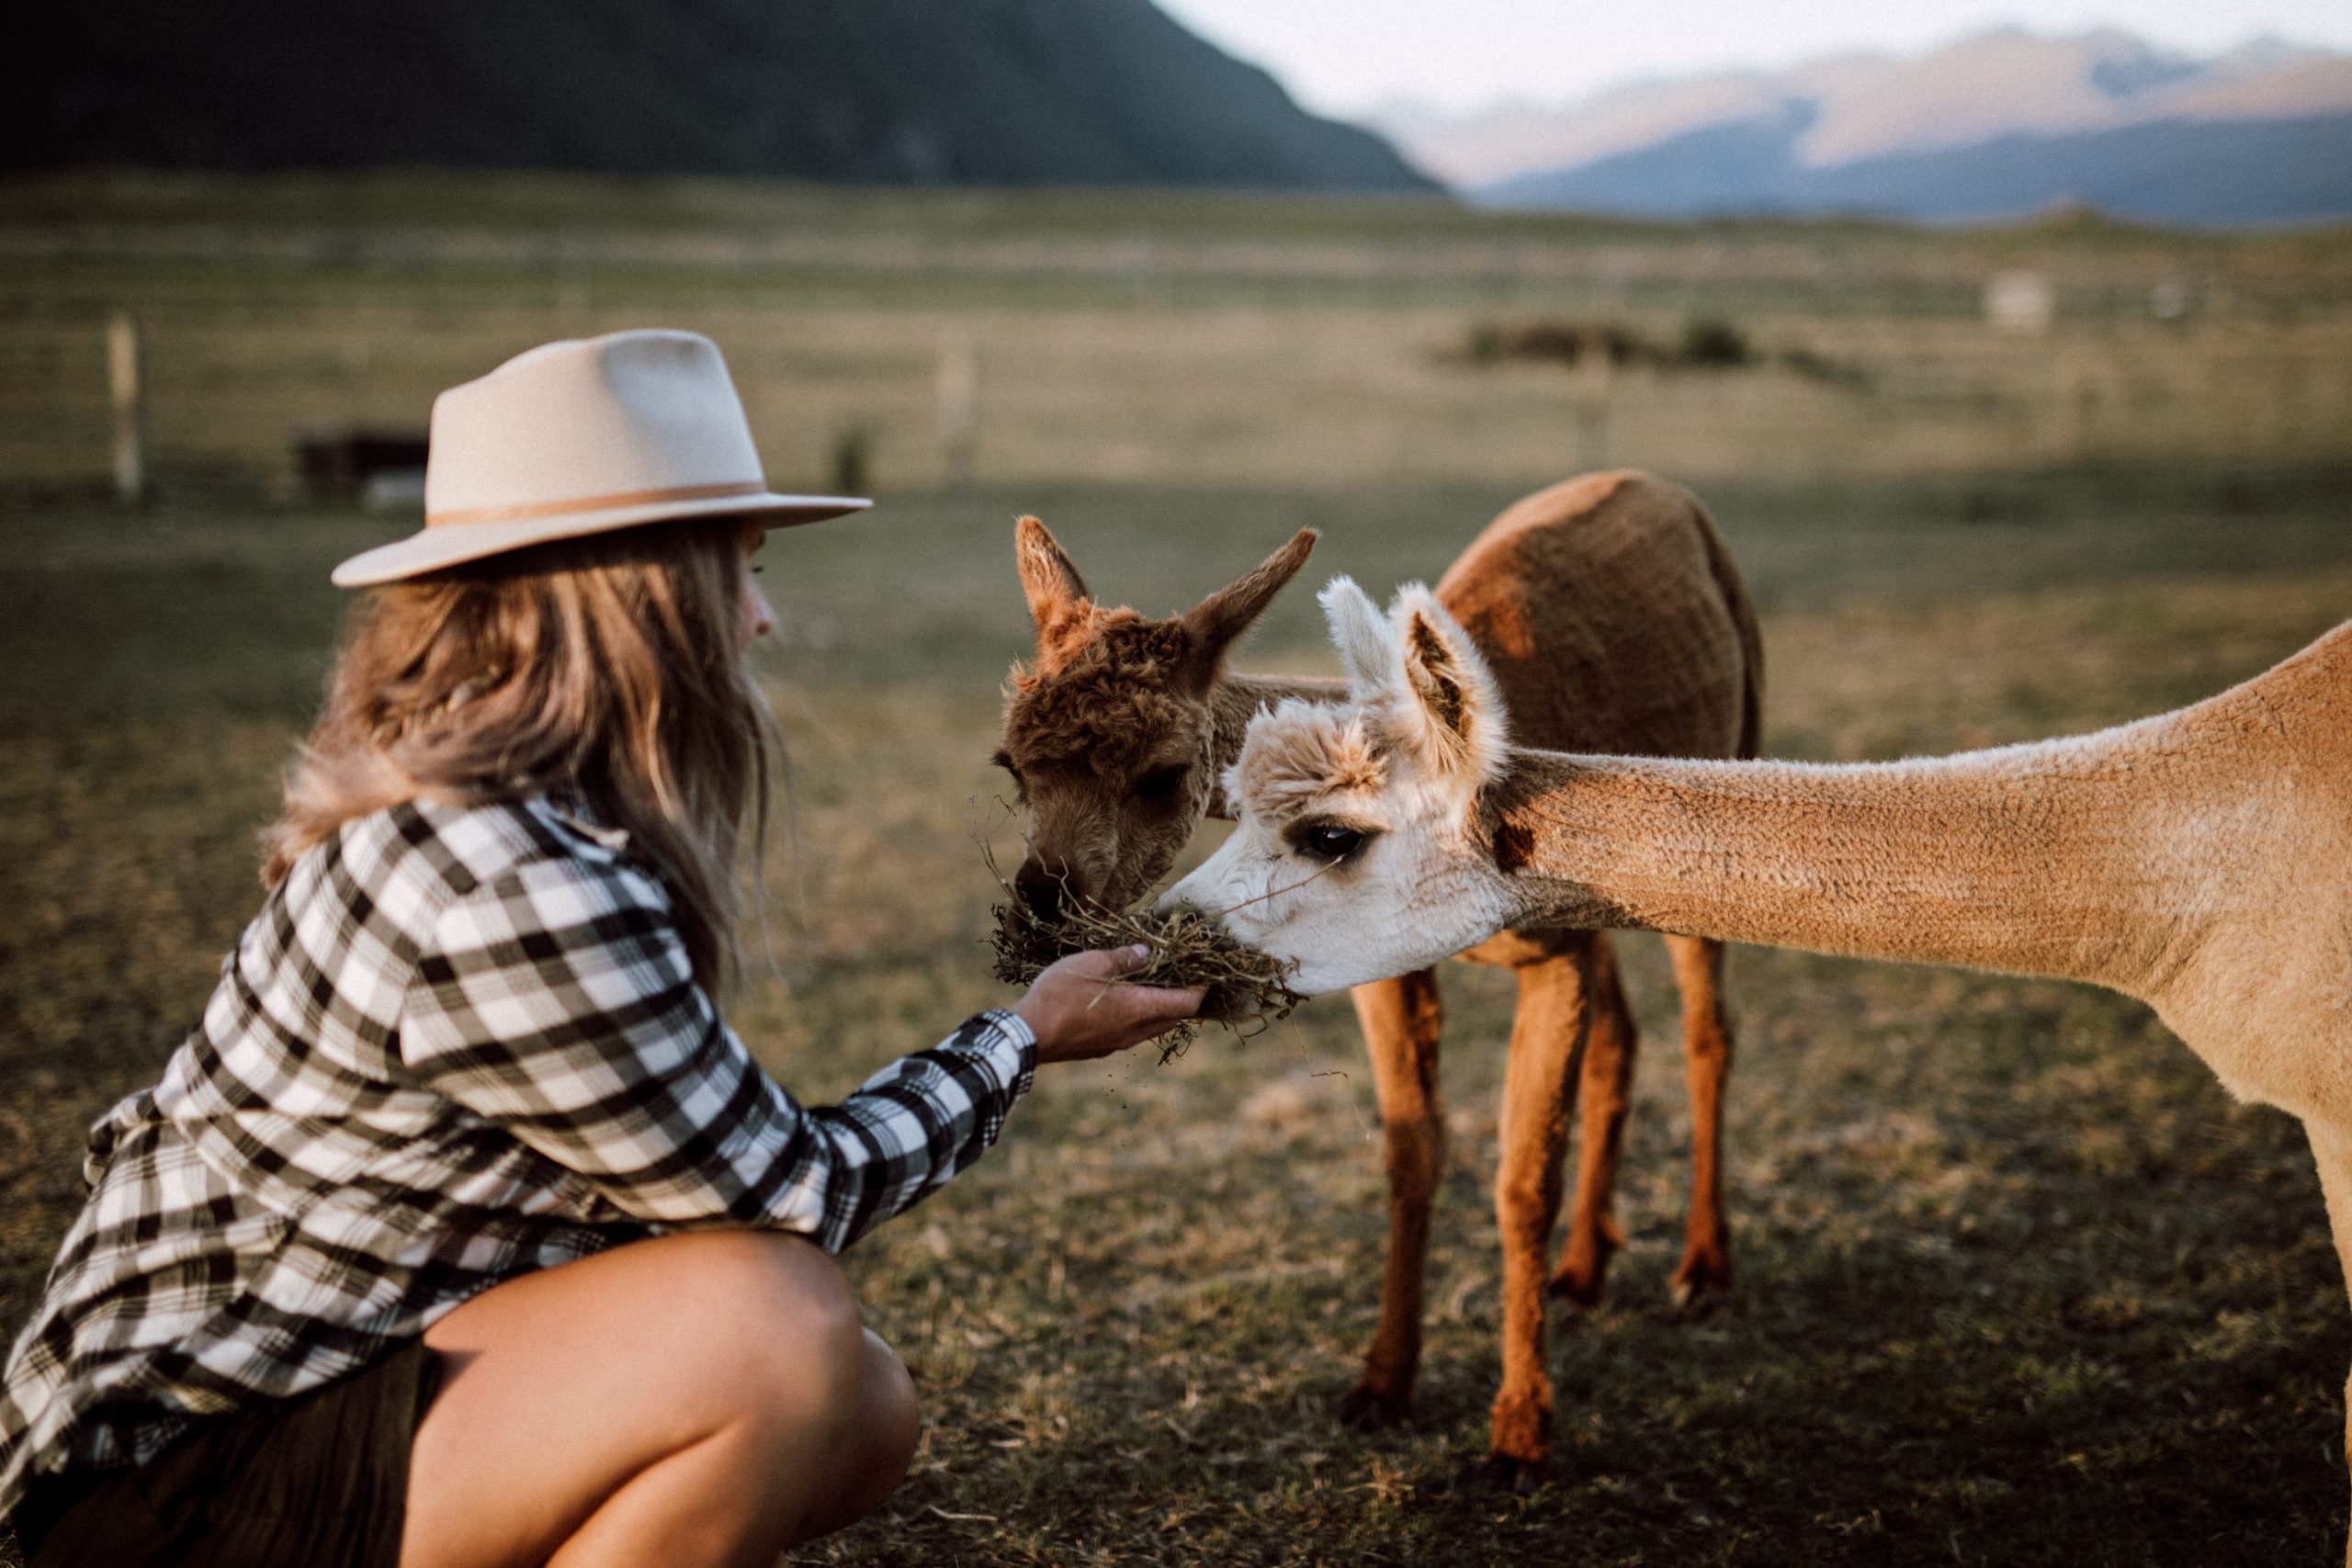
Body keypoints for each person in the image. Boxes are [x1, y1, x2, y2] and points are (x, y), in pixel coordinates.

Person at [0, 330, 1203, 1568]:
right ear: (638, 598)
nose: (764, 617)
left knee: (864, 1407)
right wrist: (1023, 1039)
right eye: (733, 573)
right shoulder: (505, 881)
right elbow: (792, 1193)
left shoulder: (489, 812)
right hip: (174, 1488)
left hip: (313, 1399)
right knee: (776, 1332)